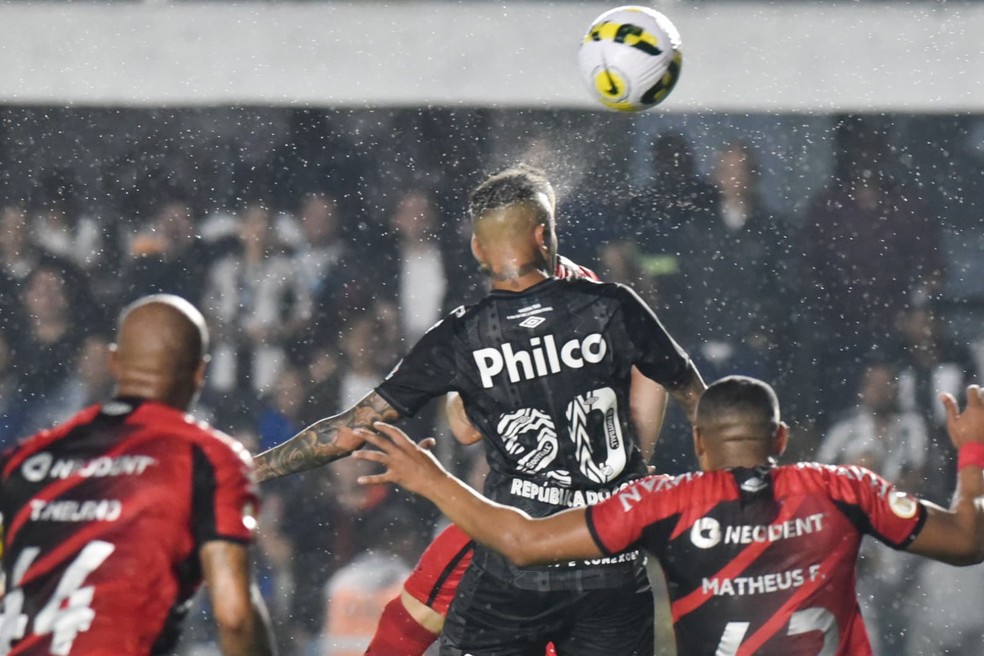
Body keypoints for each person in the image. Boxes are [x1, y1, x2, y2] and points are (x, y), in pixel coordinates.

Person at [254, 164, 706, 655]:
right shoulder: (613, 305)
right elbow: (695, 397)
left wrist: (248, 471)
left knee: (423, 608)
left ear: (475, 249)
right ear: (545, 236)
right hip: (611, 565)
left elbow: (354, 431)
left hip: (515, 567)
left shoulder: (463, 335)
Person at [355, 375, 984, 656]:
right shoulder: (844, 488)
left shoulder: (666, 502)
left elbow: (519, 540)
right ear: (782, 438)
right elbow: (967, 540)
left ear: (702, 445)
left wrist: (428, 478)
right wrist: (972, 451)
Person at [0, 294, 275, 656]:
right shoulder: (206, 458)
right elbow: (235, 616)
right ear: (199, 372)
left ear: (114, 361)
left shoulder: (24, 459)